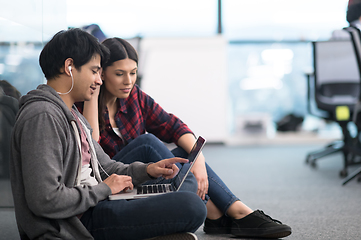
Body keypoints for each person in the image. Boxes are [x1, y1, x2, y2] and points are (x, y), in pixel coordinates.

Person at [80, 37, 292, 239]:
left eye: (133, 73)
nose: (128, 81)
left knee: (183, 153)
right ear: (101, 73)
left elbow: (174, 126)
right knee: (147, 143)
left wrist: (197, 160)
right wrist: (94, 93)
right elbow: (92, 151)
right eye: (119, 74)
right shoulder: (82, 102)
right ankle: (226, 214)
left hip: (139, 177)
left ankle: (228, 212)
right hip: (109, 178)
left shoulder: (134, 96)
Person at [9, 28, 207, 240]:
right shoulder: (42, 116)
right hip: (76, 223)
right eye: (94, 71)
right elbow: (45, 199)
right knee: (191, 205)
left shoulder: (72, 113)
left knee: (185, 185)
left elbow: (105, 167)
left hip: (96, 202)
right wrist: (104, 190)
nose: (99, 80)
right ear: (69, 67)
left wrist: (149, 170)